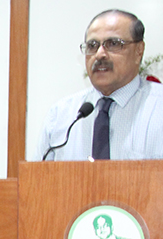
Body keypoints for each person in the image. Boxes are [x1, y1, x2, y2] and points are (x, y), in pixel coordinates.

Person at [35, 9, 163, 161]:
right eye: (92, 45)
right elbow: (36, 175)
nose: (100, 54)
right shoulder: (60, 116)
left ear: (138, 51)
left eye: (113, 44)